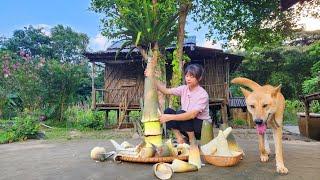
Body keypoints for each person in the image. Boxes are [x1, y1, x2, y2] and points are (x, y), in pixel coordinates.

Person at [145, 64, 211, 145]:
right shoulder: (183, 89)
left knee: (181, 113)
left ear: (199, 78)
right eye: (187, 76)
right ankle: (180, 139)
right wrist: (152, 78)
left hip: (200, 128)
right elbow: (165, 91)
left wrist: (169, 118)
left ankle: (192, 140)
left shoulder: (203, 94)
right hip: (187, 126)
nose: (188, 79)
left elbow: (192, 115)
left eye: (192, 76)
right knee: (168, 111)